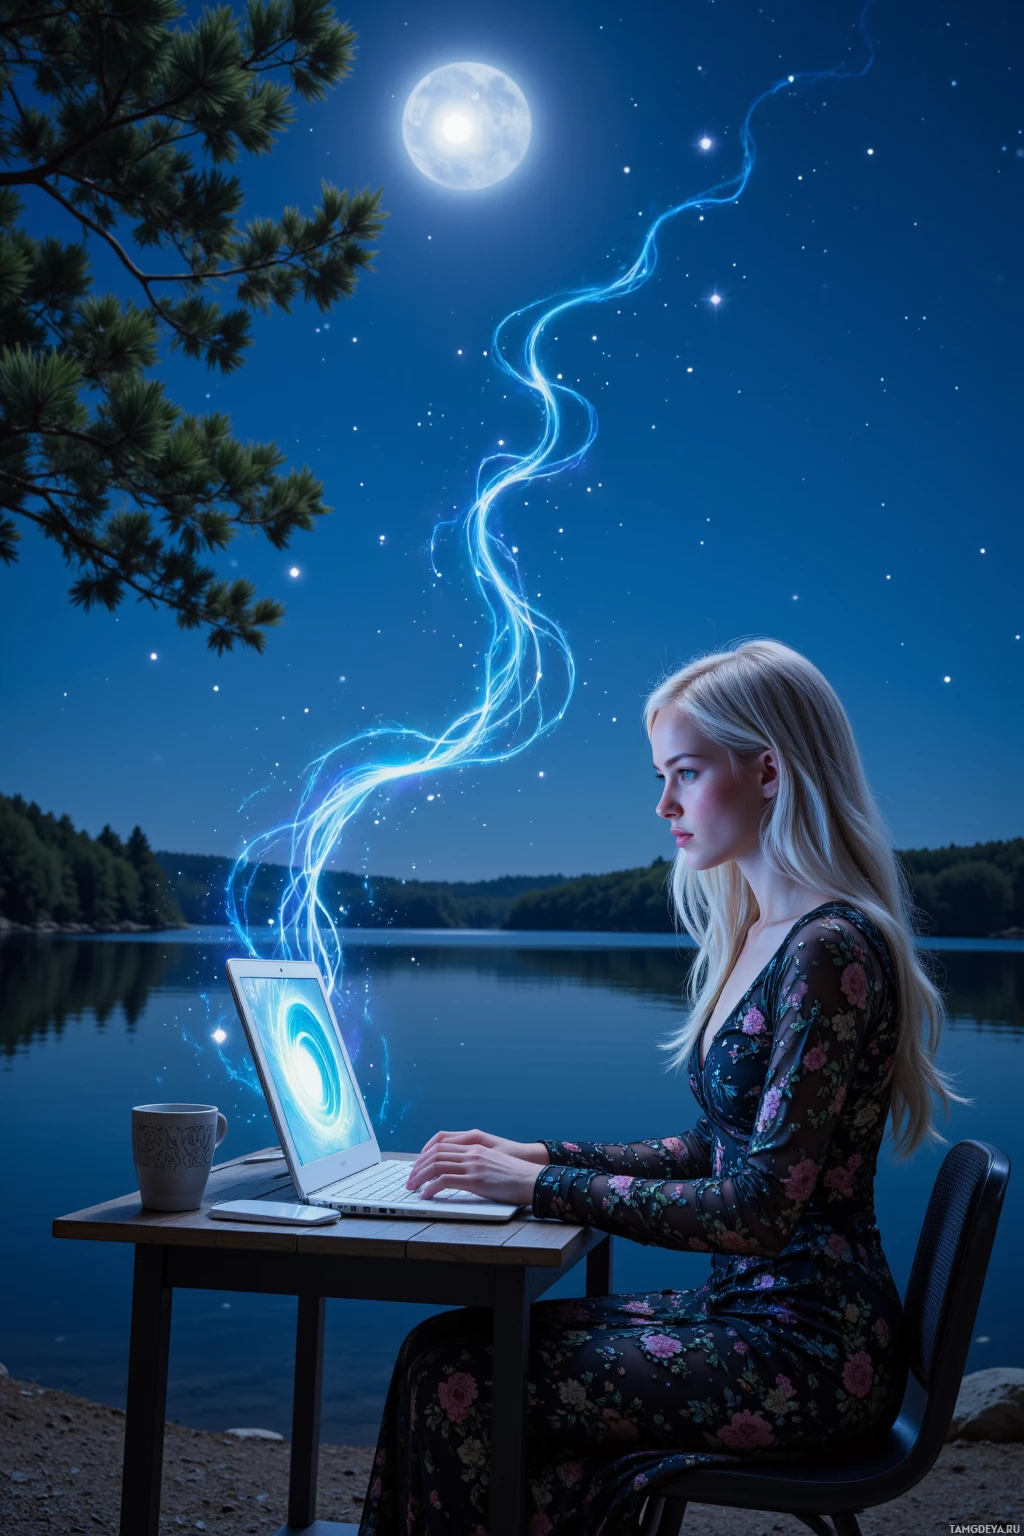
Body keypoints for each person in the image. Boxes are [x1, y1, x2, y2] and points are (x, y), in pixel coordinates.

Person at [357, 638, 967, 1536]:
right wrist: (542, 1153)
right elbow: (710, 1149)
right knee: (435, 1347)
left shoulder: (831, 948)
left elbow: (758, 1209)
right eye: (661, 775)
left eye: (686, 773)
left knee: (466, 1382)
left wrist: (541, 1189)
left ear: (768, 771)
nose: (665, 805)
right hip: (750, 1314)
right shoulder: (769, 933)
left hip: (806, 1348)